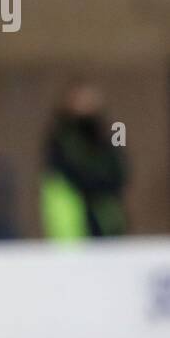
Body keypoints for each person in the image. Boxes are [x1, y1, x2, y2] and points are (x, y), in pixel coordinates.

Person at [40, 79, 127, 239]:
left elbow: (120, 168)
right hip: (74, 220)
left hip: (106, 217)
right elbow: (65, 172)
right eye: (81, 100)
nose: (86, 105)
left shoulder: (111, 131)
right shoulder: (61, 136)